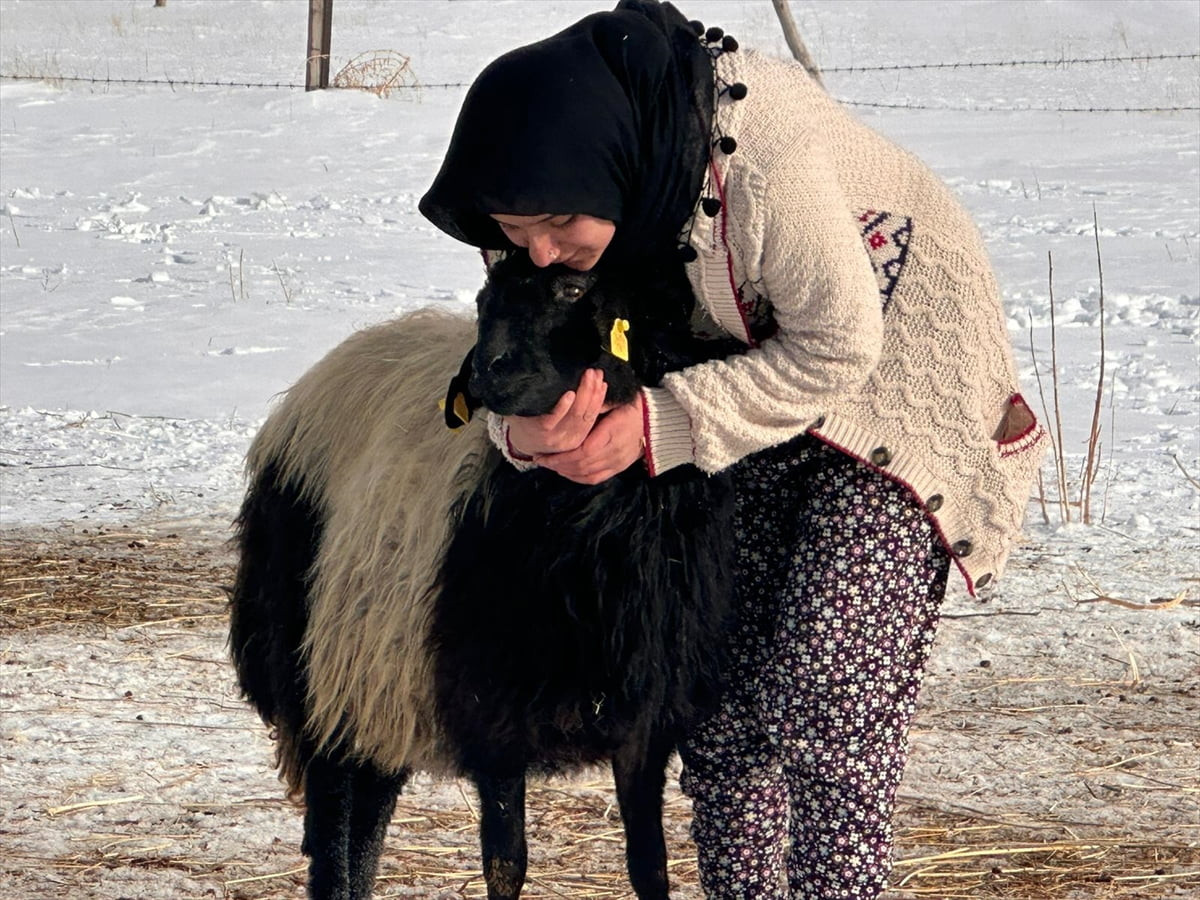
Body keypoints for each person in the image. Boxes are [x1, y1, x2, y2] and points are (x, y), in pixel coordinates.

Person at [419, 1, 1046, 896]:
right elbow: (516, 354)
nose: (543, 254)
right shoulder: (550, 209)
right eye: (517, 236)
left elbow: (839, 345)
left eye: (557, 225)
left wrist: (653, 427)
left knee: (828, 692)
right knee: (718, 700)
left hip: (891, 393)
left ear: (608, 167)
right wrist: (520, 435)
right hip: (747, 389)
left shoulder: (759, 160)